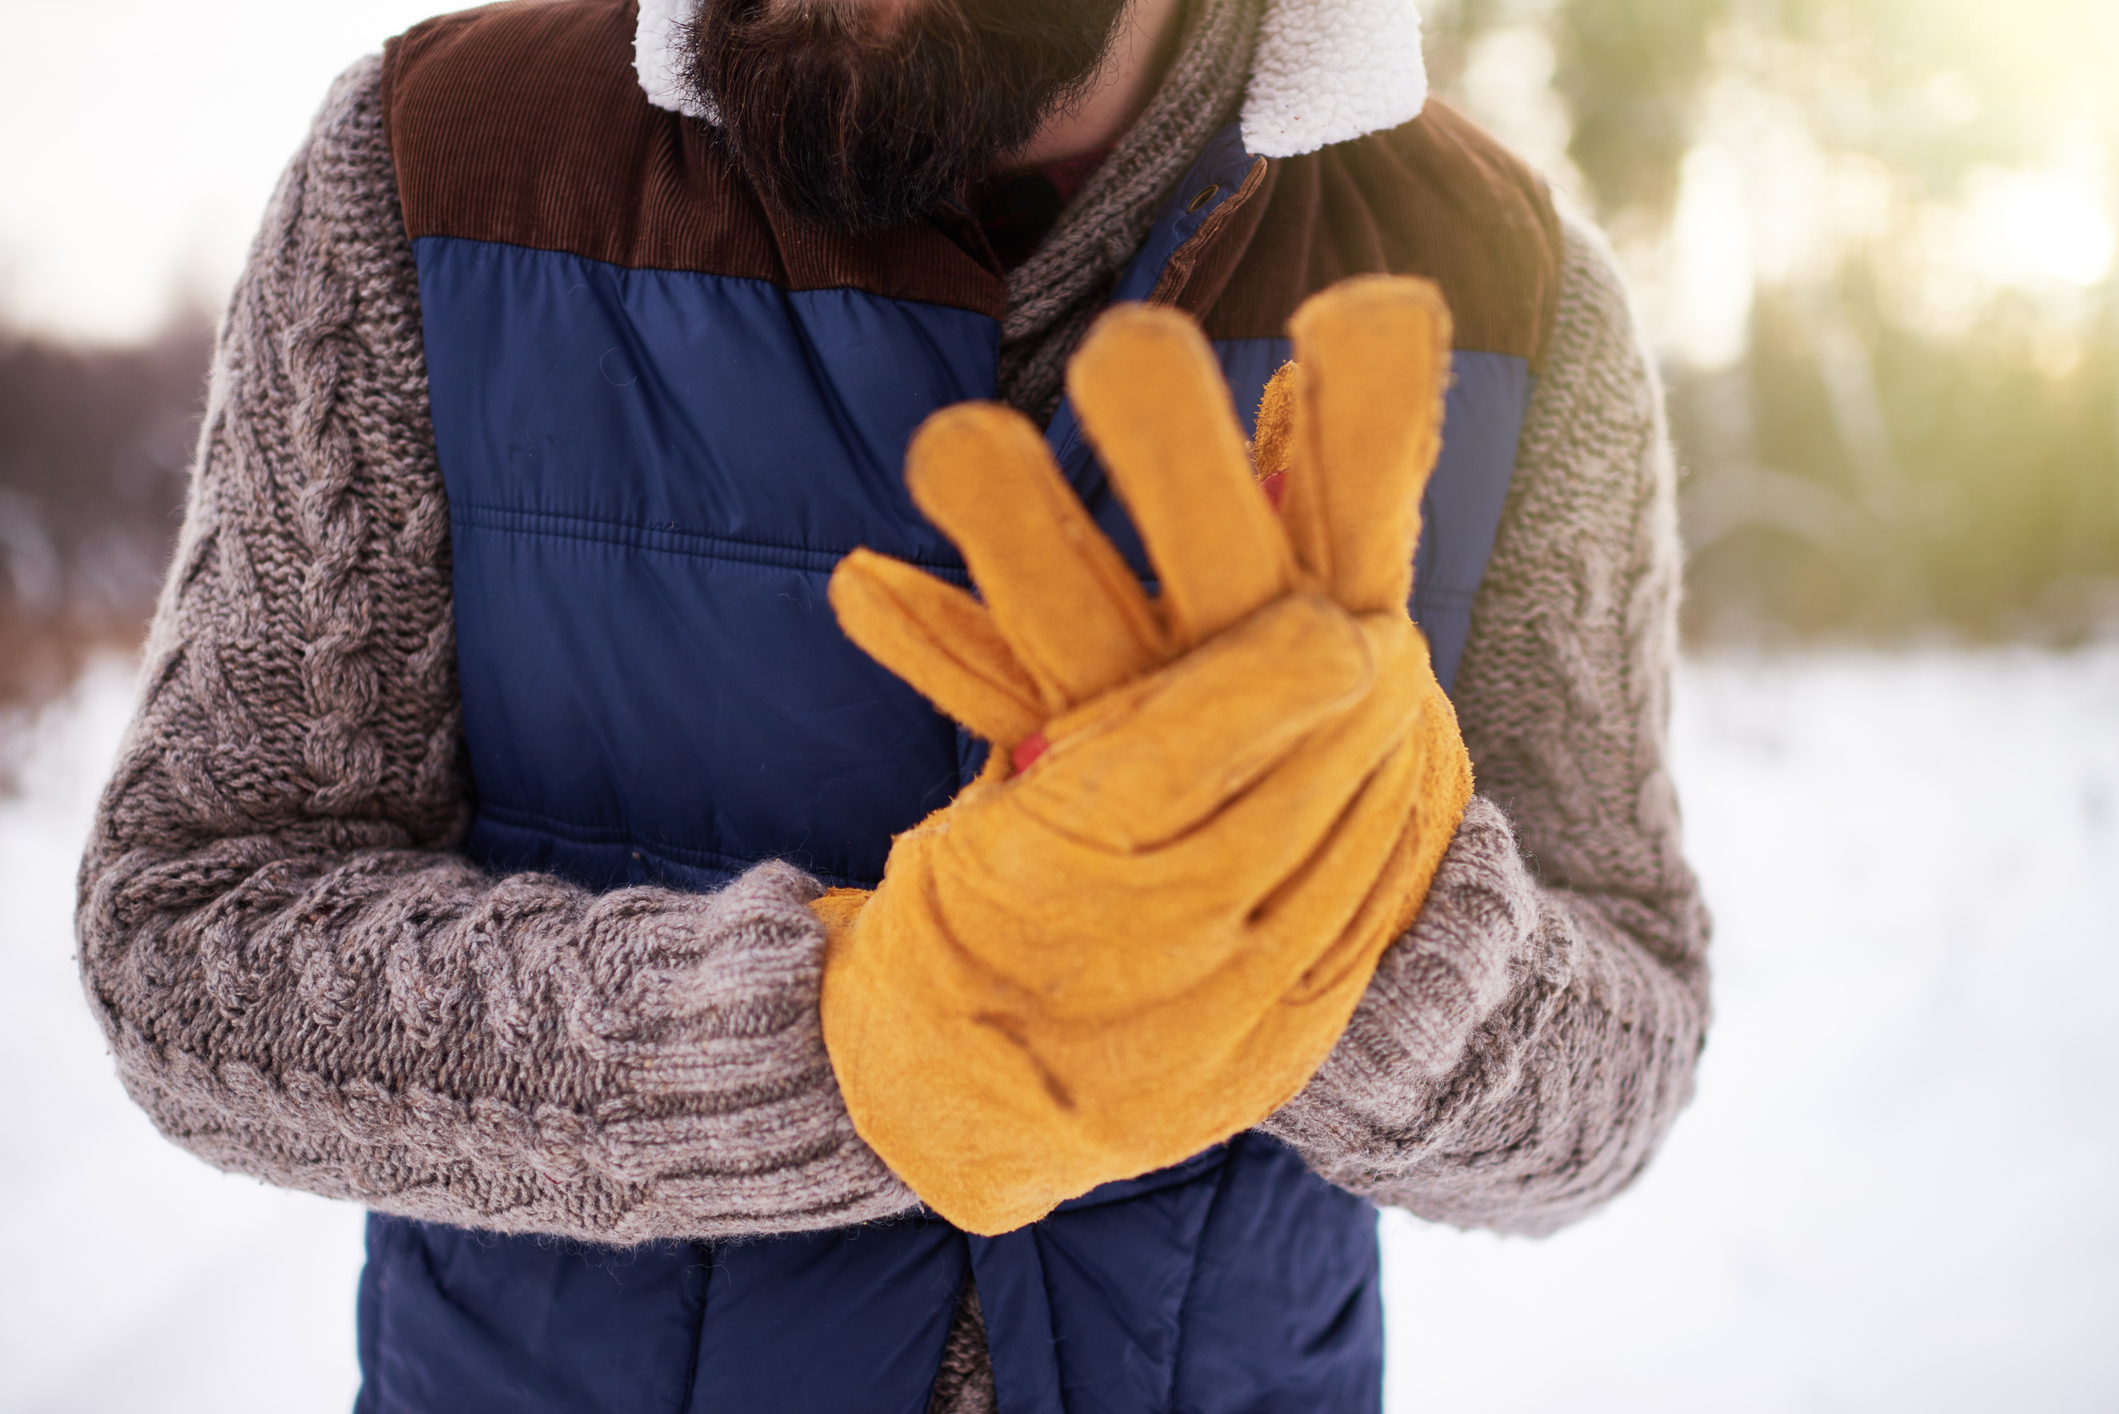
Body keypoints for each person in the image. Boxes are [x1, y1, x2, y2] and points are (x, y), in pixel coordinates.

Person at [75, 0, 1710, 1408]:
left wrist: (1357, 927)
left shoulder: (1511, 287)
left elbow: (1627, 1056)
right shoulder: (436, 165)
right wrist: (845, 1045)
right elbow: (196, 941)